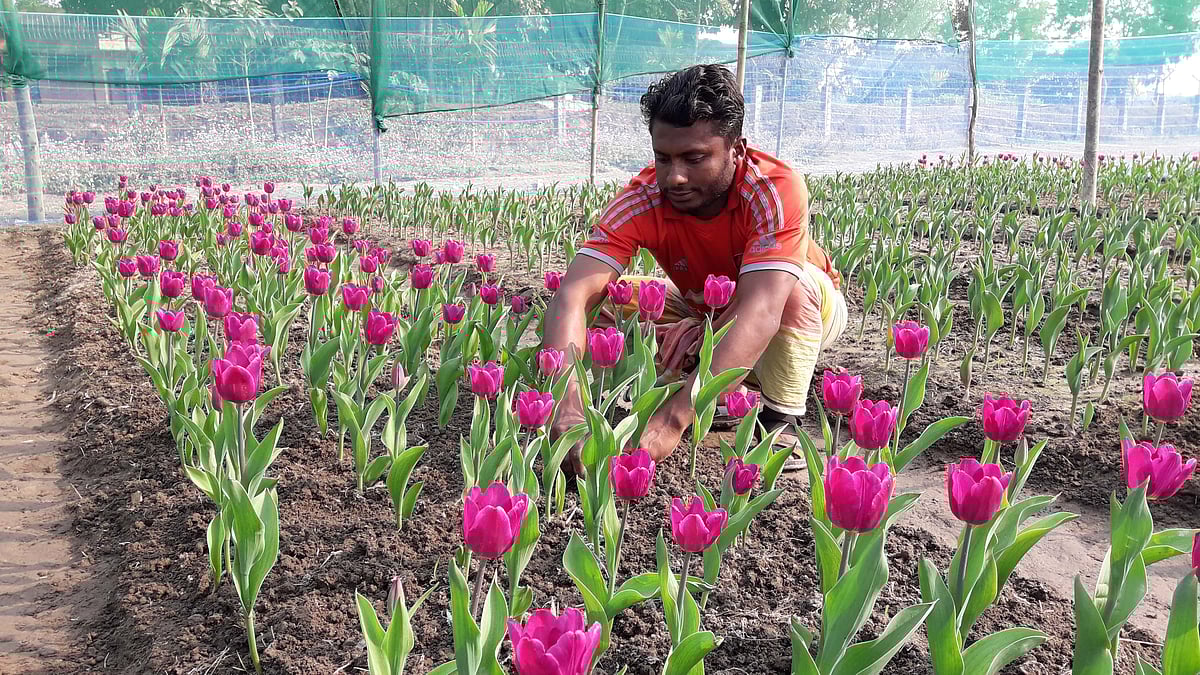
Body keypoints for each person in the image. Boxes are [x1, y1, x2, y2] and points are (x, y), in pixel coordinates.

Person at [543, 64, 847, 472]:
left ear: (737, 149)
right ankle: (716, 388)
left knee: (790, 288)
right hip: (705, 308)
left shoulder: (773, 189)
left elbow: (761, 311)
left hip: (803, 309)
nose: (676, 177)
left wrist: (672, 420)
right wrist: (567, 405)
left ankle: (779, 419)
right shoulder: (645, 197)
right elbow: (574, 295)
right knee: (612, 300)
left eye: (695, 157)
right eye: (663, 158)